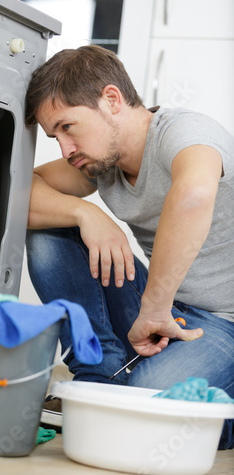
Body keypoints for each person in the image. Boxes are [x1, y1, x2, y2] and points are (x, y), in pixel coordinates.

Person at [24, 45, 234, 448]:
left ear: (112, 100)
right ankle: (99, 375)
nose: (65, 150)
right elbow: (22, 192)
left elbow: (192, 196)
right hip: (164, 310)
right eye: (55, 137)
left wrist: (154, 307)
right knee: (50, 229)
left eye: (68, 128)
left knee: (145, 398)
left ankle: (192, 407)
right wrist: (89, 215)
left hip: (223, 322)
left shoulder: (186, 134)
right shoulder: (101, 163)